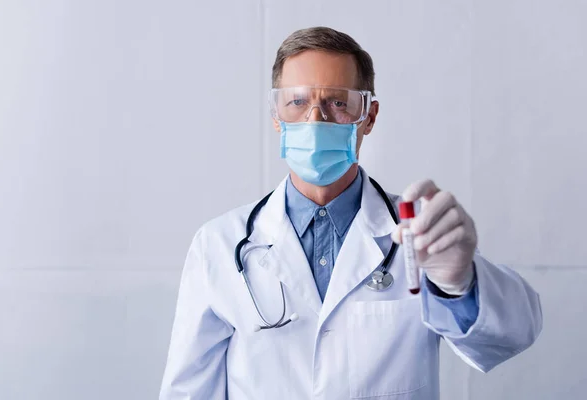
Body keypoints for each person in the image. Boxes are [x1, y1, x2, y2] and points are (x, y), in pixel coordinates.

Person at [159, 27, 542, 400]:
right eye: (297, 101)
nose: (315, 119)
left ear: (369, 116)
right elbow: (188, 391)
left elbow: (513, 335)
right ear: (276, 115)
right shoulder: (219, 245)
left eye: (337, 103)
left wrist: (462, 285)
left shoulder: (421, 234)